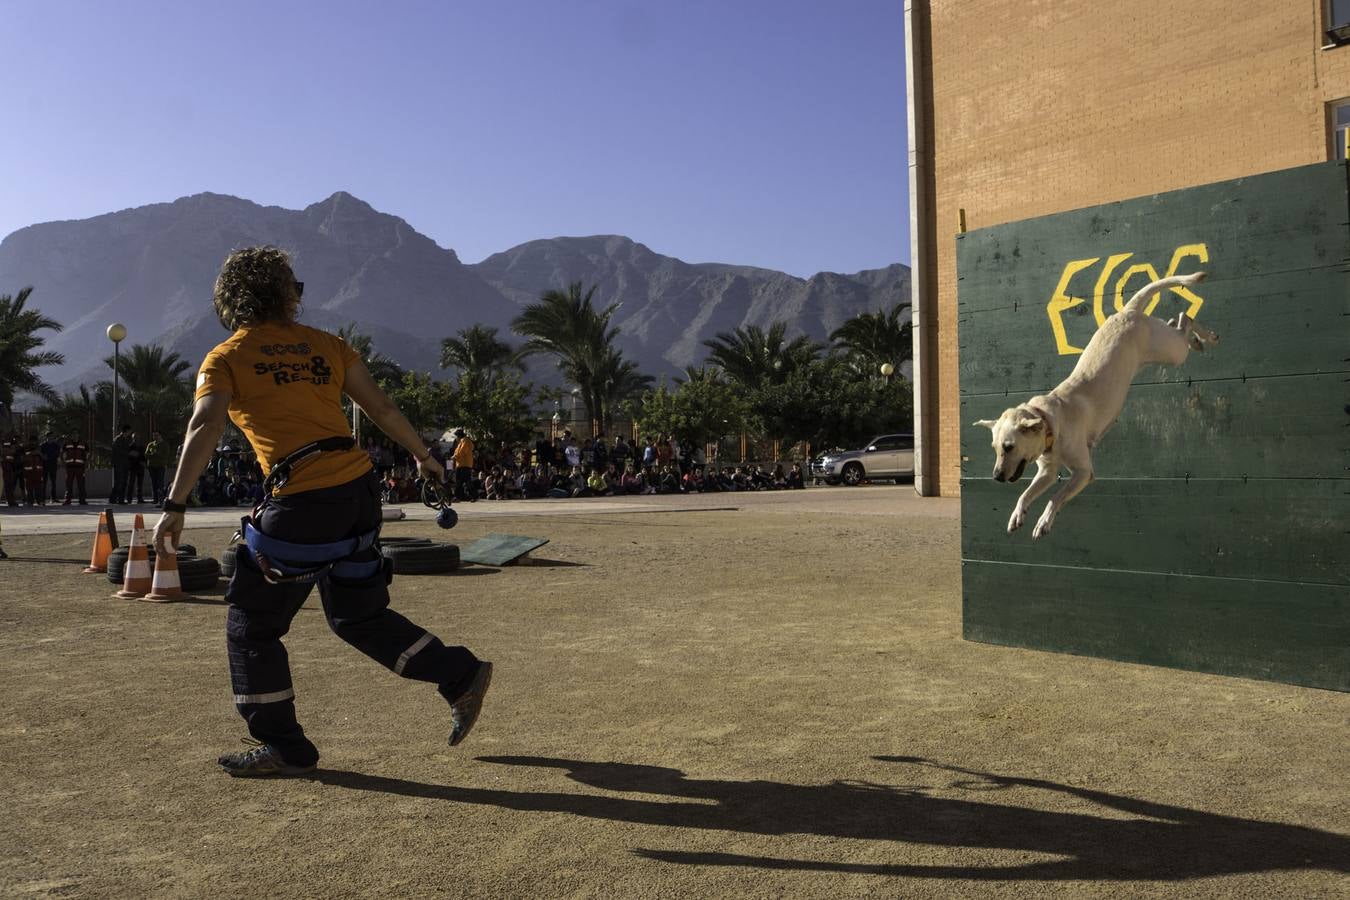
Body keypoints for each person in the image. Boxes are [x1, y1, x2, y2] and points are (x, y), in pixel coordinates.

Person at [152, 246, 491, 778]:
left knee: (252, 626)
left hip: (302, 503)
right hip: (358, 493)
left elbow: (205, 426)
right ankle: (459, 673)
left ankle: (284, 747)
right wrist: (425, 458)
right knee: (359, 616)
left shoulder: (226, 357)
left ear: (230, 299)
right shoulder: (327, 346)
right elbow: (379, 409)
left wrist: (175, 505)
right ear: (289, 294)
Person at [61, 433, 88, 505]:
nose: (75, 436)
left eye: (76, 434)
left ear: (78, 435)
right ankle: (68, 500)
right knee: (68, 484)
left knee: (81, 484)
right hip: (70, 467)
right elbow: (63, 454)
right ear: (71, 436)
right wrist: (64, 463)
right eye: (73, 434)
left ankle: (82, 500)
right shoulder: (67, 444)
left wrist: (85, 462)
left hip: (80, 467)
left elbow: (87, 454)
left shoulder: (83, 444)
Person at [145, 431, 171, 505]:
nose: (155, 437)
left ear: (160, 436)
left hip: (160, 466)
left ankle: (161, 499)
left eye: (157, 435)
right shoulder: (150, 445)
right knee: (153, 483)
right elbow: (146, 454)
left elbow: (165, 455)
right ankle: (155, 499)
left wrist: (155, 454)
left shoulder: (165, 445)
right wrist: (154, 454)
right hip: (151, 467)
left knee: (160, 483)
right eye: (154, 436)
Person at [450, 428, 476, 502]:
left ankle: (472, 496)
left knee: (464, 482)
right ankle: (460, 497)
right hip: (462, 464)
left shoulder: (465, 440)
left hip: (464, 464)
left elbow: (462, 451)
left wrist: (454, 457)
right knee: (461, 482)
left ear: (458, 436)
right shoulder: (462, 441)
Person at [109, 425, 132, 504]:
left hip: (125, 464)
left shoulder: (126, 439)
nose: (130, 433)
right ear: (127, 431)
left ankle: (120, 499)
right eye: (129, 431)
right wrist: (129, 453)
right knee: (119, 482)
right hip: (119, 464)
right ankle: (113, 498)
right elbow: (117, 451)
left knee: (124, 482)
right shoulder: (118, 439)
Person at [22, 437, 45, 506]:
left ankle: (39, 501)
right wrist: (31, 453)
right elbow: (22, 459)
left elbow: (44, 458)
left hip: (38, 472)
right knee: (29, 488)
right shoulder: (25, 448)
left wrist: (39, 453)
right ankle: (30, 501)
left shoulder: (40, 448)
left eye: (34, 441)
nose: (33, 443)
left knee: (38, 488)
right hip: (28, 472)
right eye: (31, 441)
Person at [40, 431, 60, 502]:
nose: (51, 438)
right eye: (49, 436)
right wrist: (43, 457)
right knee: (44, 482)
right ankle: (42, 498)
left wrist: (49, 457)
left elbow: (57, 454)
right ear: (47, 437)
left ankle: (53, 498)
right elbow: (40, 454)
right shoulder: (43, 445)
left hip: (53, 465)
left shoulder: (56, 446)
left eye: (52, 436)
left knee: (53, 482)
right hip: (45, 465)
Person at [126, 432, 146, 503]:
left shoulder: (142, 446)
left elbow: (144, 456)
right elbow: (129, 456)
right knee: (131, 483)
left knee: (140, 484)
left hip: (140, 467)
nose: (136, 439)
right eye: (135, 438)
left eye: (137, 438)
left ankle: (140, 498)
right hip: (133, 467)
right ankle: (129, 498)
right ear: (133, 438)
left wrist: (143, 463)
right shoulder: (130, 446)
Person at [1, 433, 20, 507]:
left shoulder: (11, 443)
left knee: (10, 484)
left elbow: (13, 452)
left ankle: (11, 500)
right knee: (7, 484)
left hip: (10, 465)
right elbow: (6, 452)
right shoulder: (4, 443)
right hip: (5, 465)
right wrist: (11, 450)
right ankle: (10, 500)